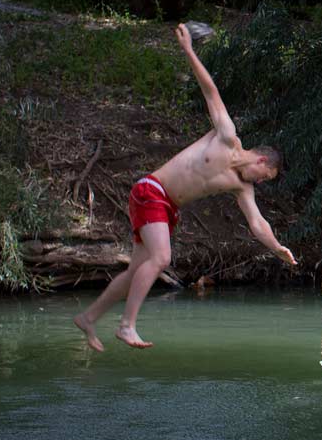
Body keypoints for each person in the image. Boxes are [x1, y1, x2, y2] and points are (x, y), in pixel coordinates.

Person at [74, 24, 297, 350]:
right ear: (261, 161)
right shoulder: (227, 137)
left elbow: (257, 223)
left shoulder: (241, 187)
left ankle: (89, 318)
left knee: (137, 270)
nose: (261, 183)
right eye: (265, 177)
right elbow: (210, 91)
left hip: (165, 207)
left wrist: (276, 247)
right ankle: (126, 325)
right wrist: (189, 50)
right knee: (161, 258)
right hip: (151, 190)